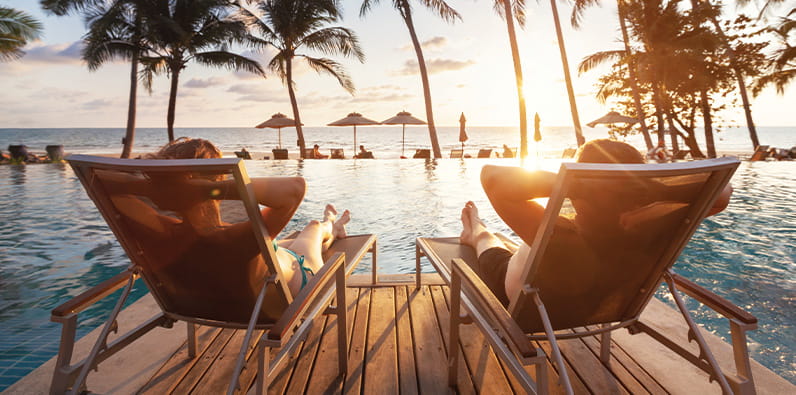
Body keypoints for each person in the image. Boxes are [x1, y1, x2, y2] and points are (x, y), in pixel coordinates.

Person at [458, 139, 733, 307]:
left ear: (577, 195)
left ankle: (475, 230)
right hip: (599, 304)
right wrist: (646, 187)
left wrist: (582, 186)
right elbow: (723, 192)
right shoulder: (650, 228)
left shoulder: (562, 234)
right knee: (516, 243)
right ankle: (482, 231)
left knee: (486, 241)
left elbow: (491, 176)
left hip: (519, 291)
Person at [110, 138, 349, 302]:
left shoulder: (166, 230)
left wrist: (163, 187)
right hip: (302, 276)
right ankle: (332, 222)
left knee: (295, 238)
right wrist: (202, 189)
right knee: (313, 227)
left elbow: (104, 181)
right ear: (218, 180)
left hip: (269, 263)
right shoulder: (238, 239)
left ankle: (334, 227)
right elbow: (296, 188)